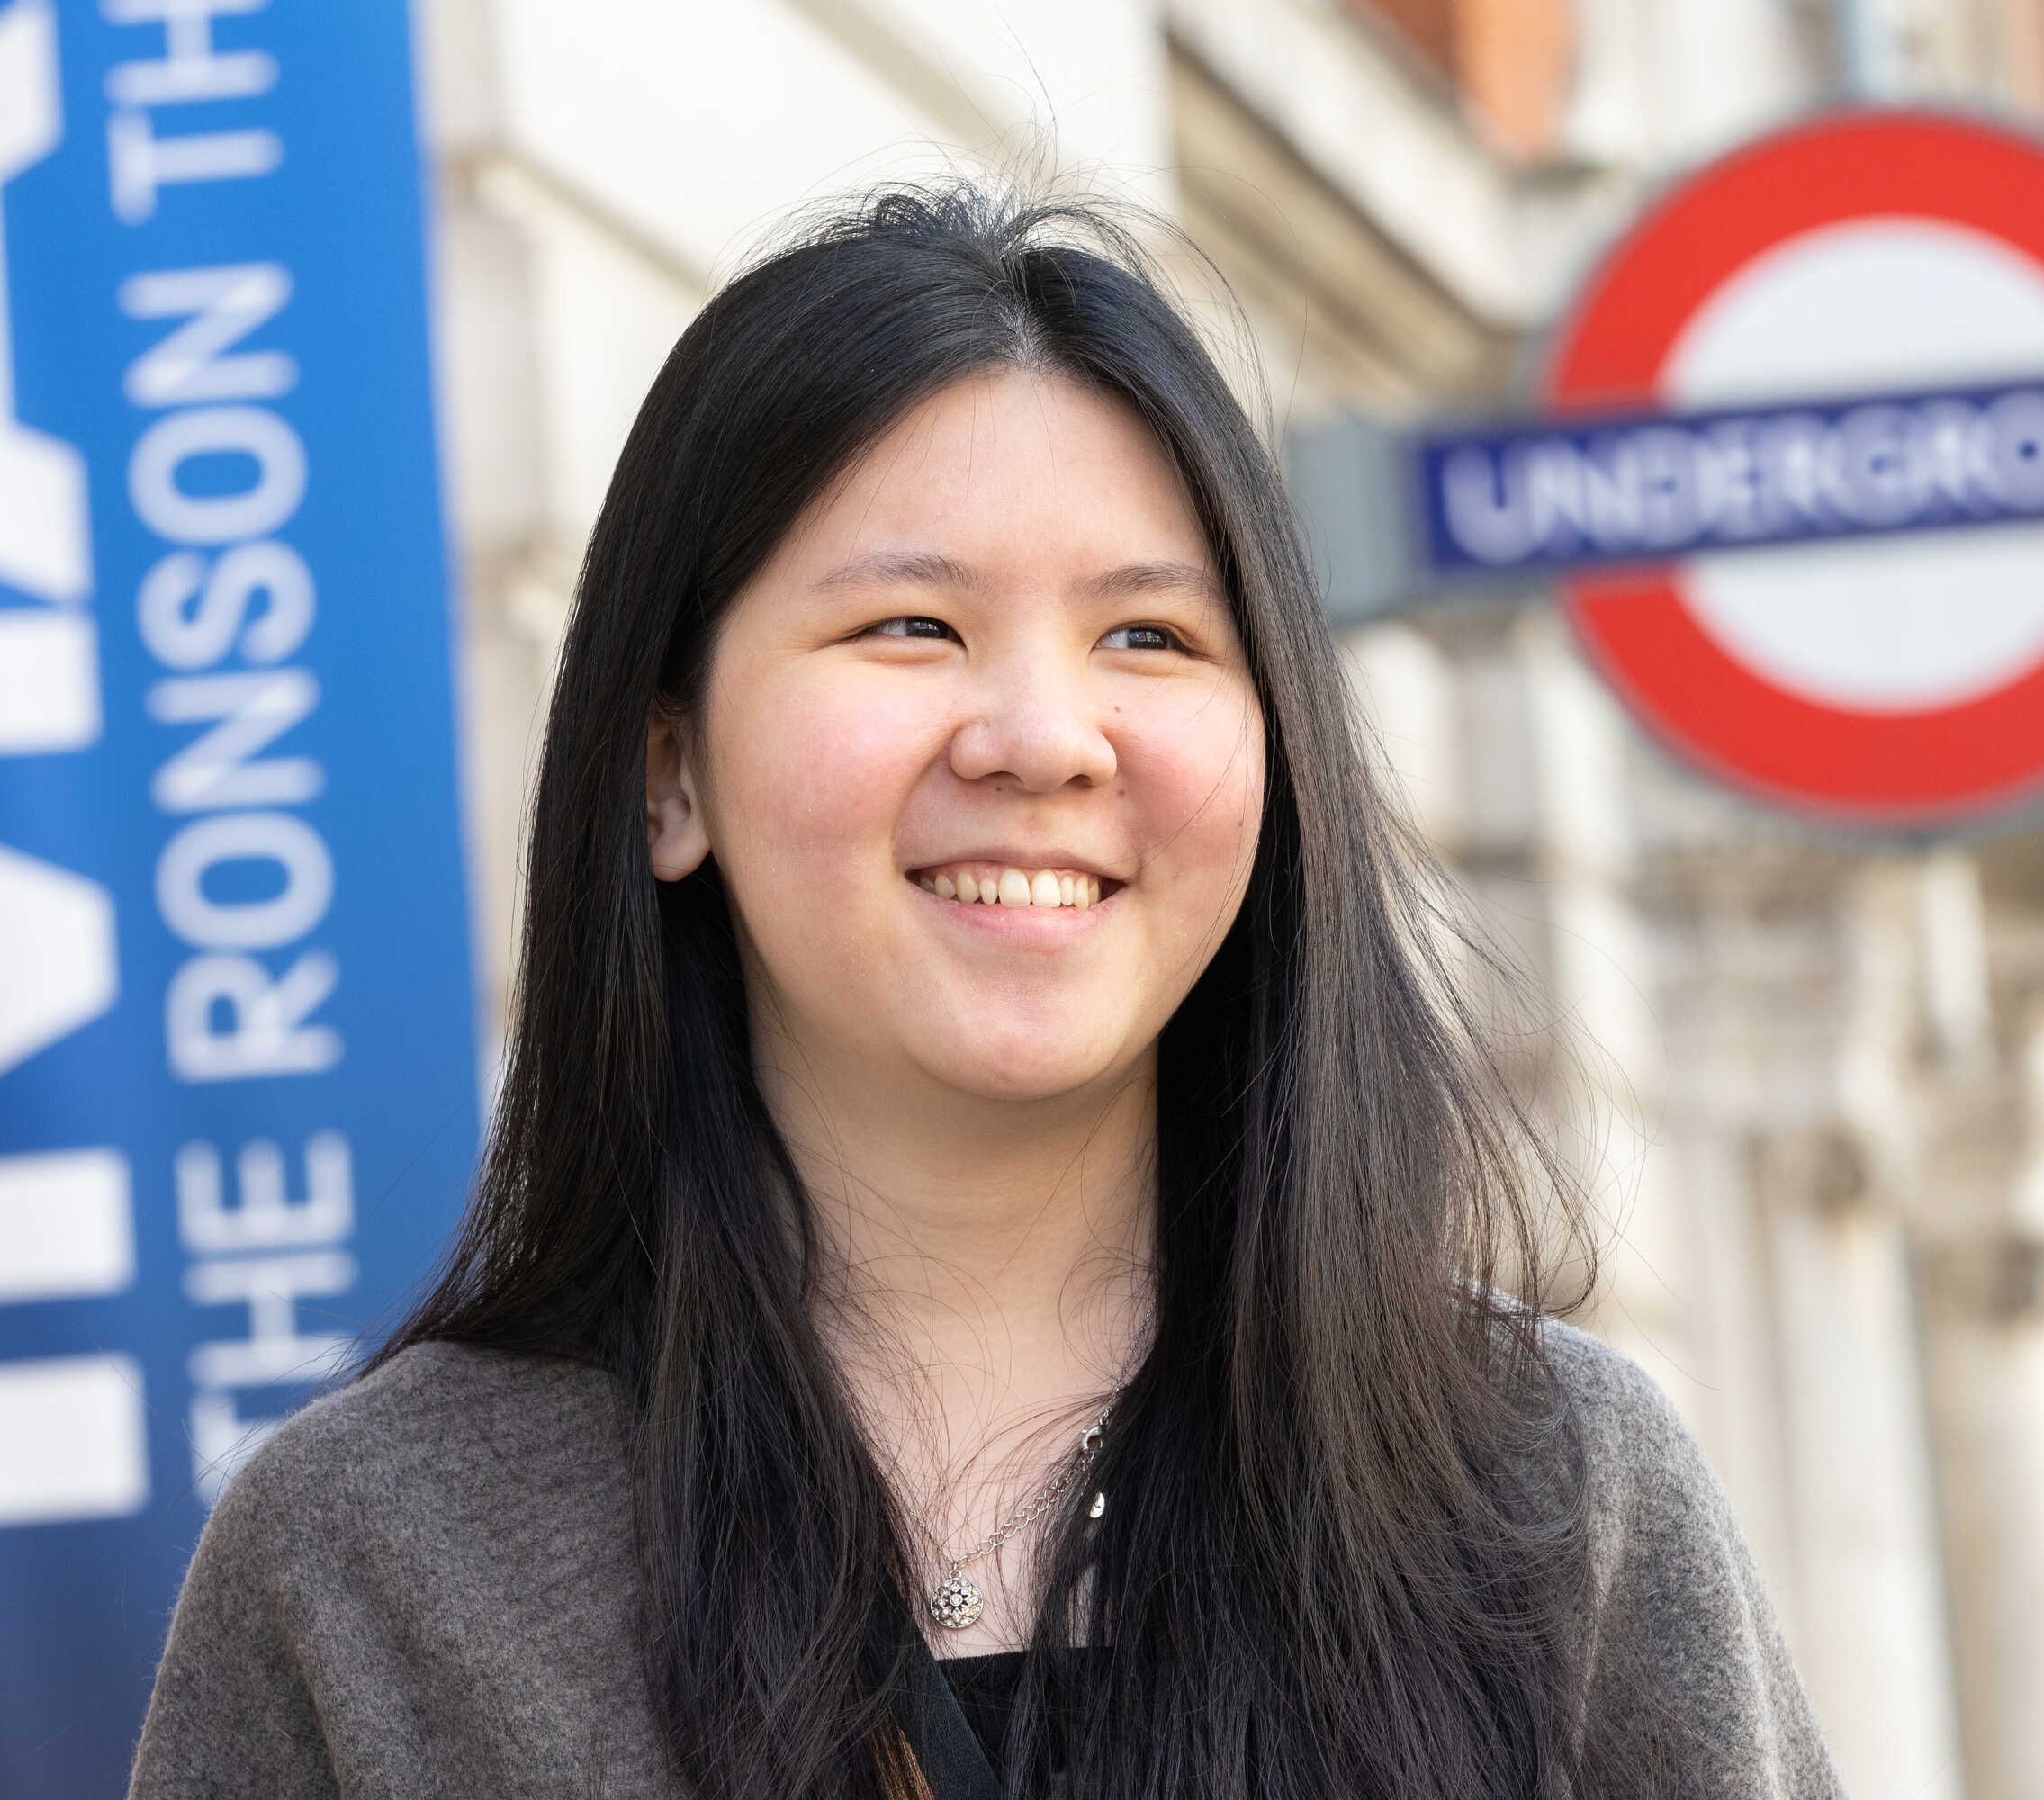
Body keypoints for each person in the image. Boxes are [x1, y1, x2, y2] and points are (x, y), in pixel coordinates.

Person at [124, 176, 1850, 1800]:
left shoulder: (1552, 1491)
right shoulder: (378, 1559)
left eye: (1151, 639)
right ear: (667, 777)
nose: (1042, 737)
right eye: (911, 629)